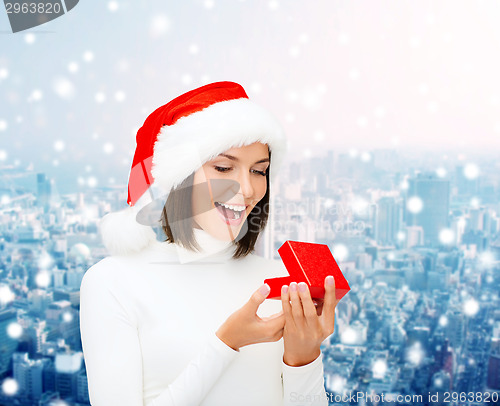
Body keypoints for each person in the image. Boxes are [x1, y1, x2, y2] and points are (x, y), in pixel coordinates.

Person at [79, 81, 338, 406]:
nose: (246, 189)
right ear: (180, 177)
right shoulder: (113, 282)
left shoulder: (283, 281)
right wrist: (227, 343)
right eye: (223, 167)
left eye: (259, 171)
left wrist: (304, 357)